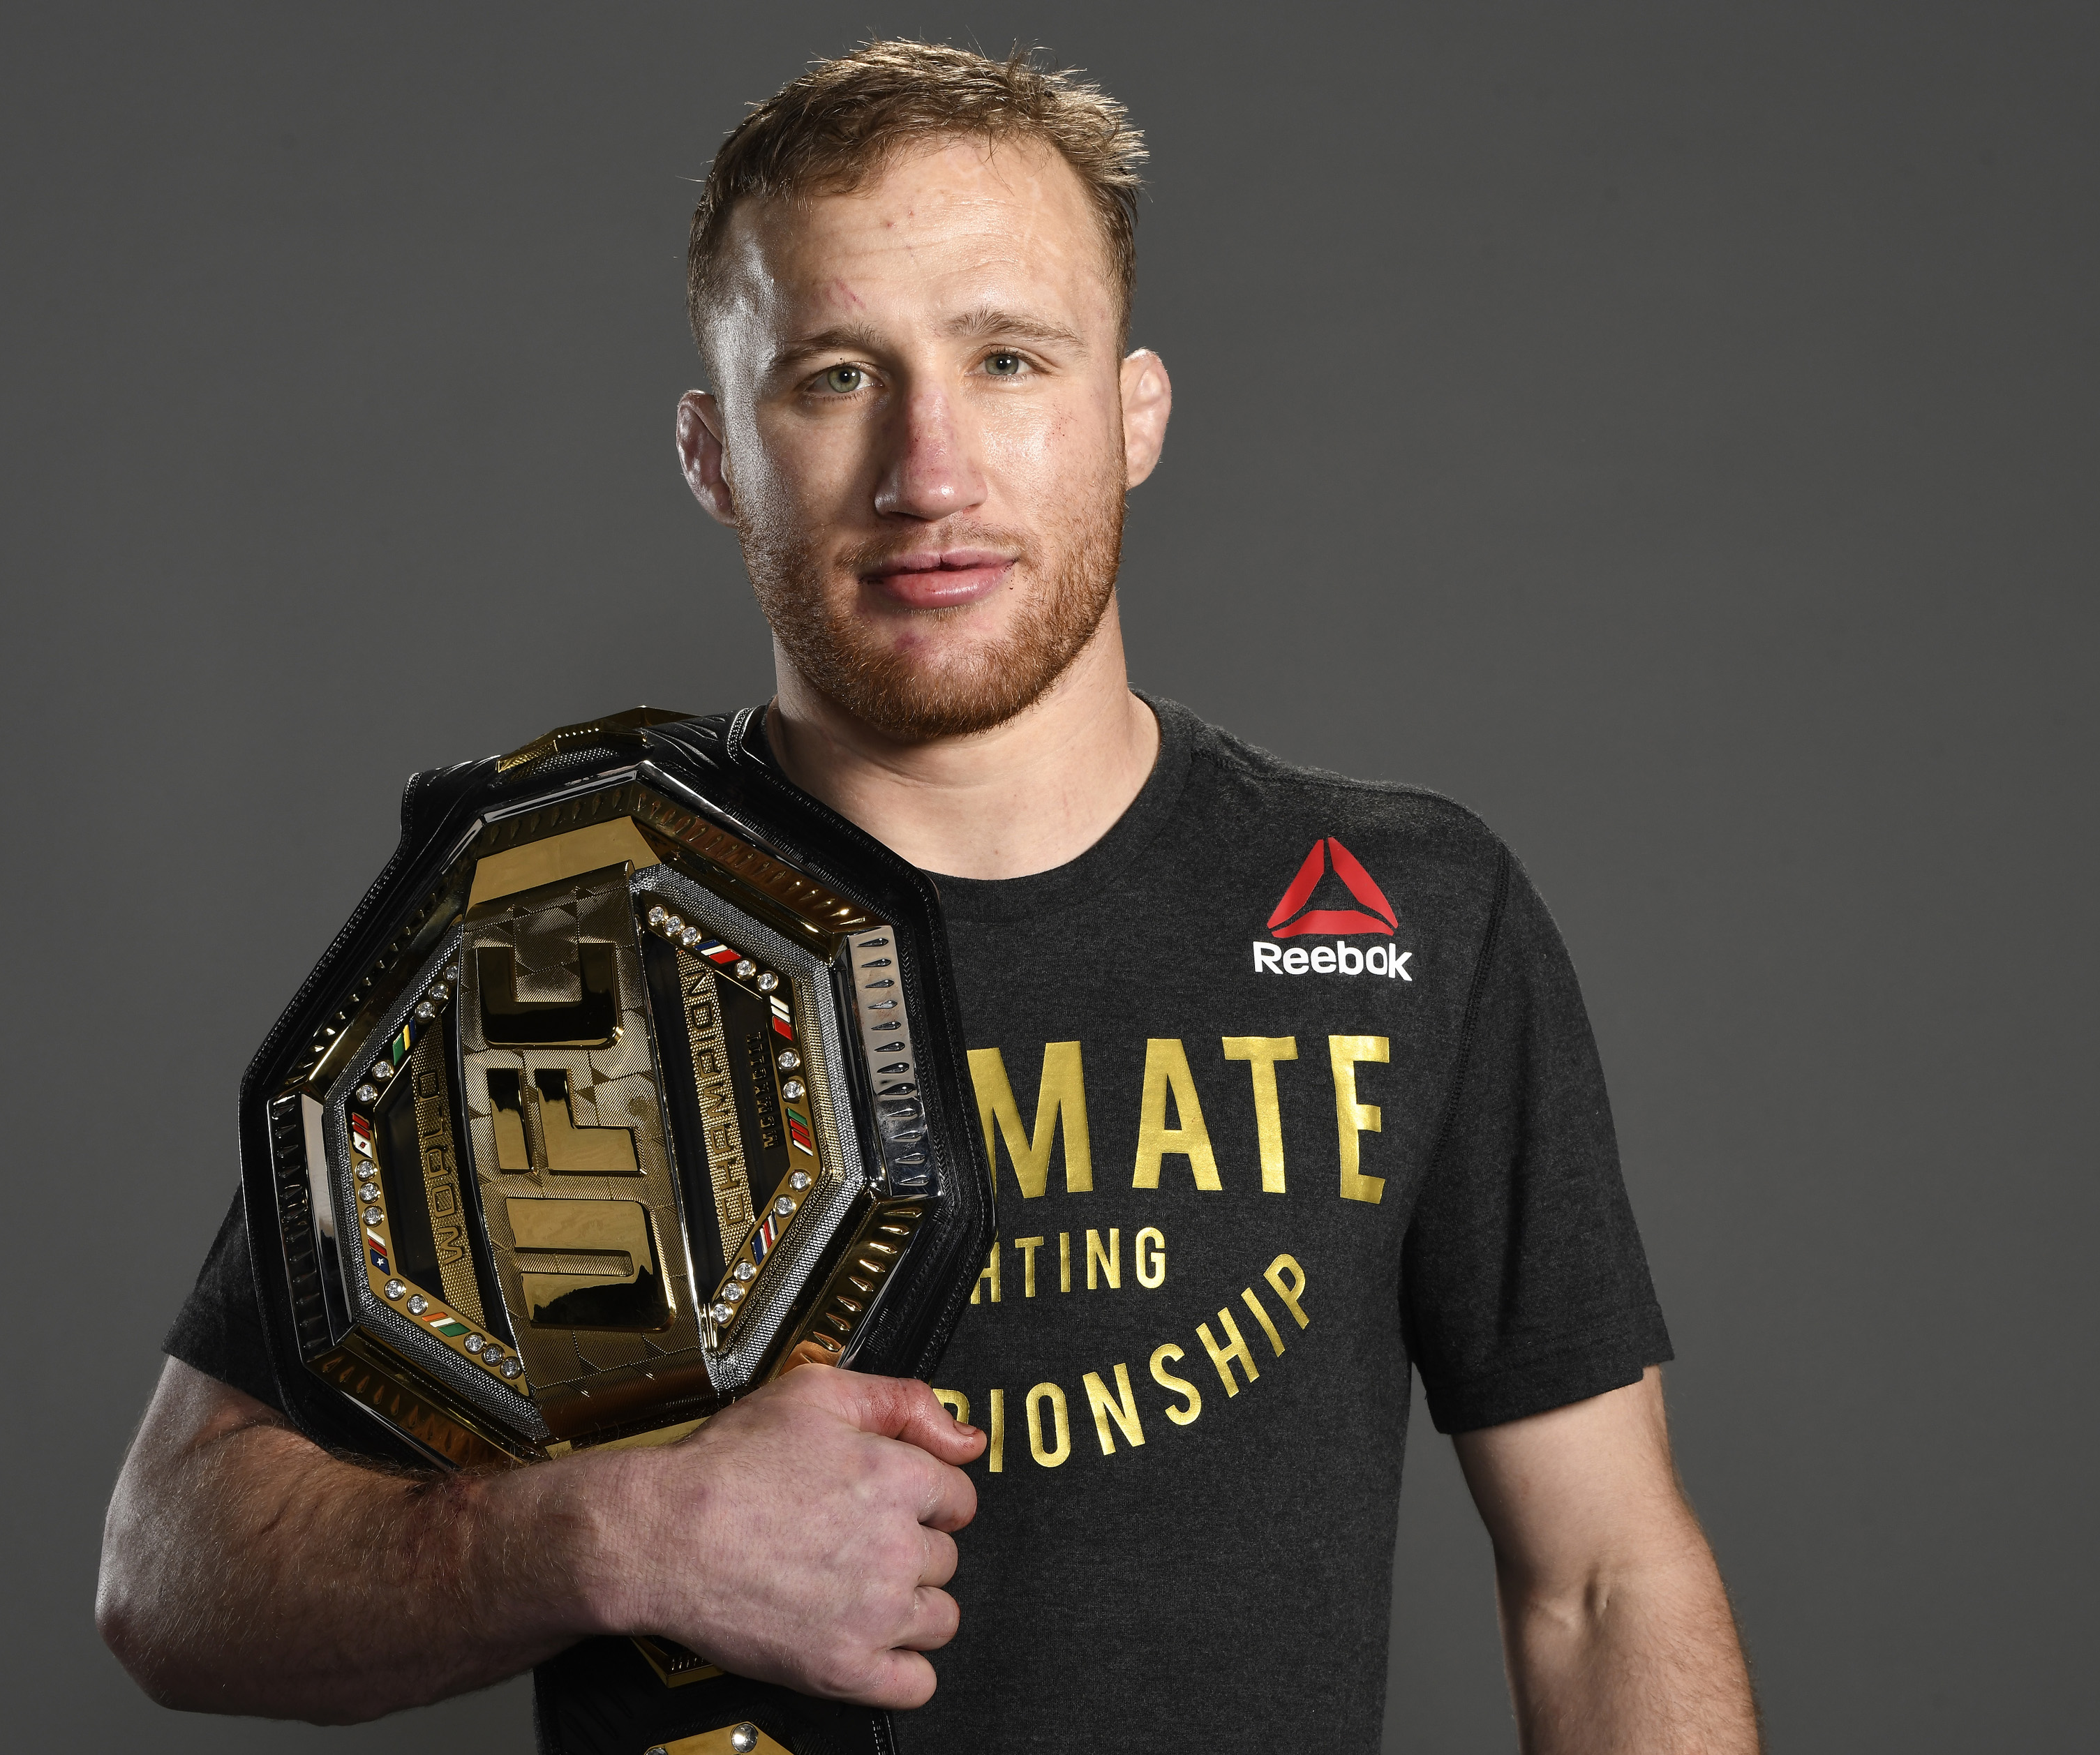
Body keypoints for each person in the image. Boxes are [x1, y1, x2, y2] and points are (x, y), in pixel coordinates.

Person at [98, 40, 1759, 1752]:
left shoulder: (1413, 917)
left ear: (1133, 414)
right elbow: (171, 1571)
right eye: (832, 375)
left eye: (1008, 357)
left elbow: (1601, 1582)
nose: (929, 470)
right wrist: (597, 1534)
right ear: (712, 452)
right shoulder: (562, 941)